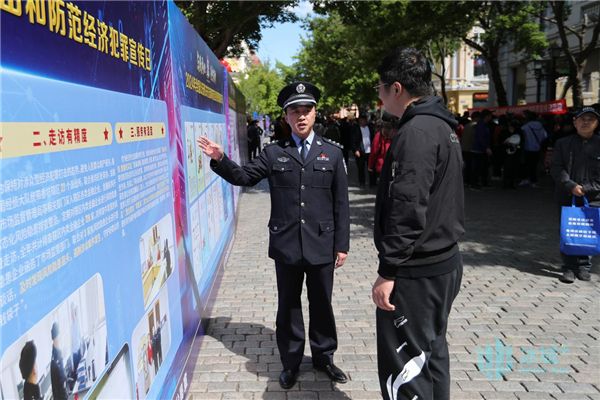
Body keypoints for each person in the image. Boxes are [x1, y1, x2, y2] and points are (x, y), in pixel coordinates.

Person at [197, 81, 350, 390]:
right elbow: (243, 177)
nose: (302, 116)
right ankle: (291, 362)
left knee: (322, 304)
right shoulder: (274, 153)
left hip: (322, 242)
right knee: (289, 306)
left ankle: (324, 357)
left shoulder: (332, 154)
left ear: (315, 113)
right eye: (295, 111)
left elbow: (342, 204)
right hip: (287, 246)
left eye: (307, 110)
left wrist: (342, 245)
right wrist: (220, 158)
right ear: (286, 116)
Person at [371, 47, 464, 400]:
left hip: (417, 270)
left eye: (380, 89)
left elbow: (408, 208)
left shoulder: (417, 132)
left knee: (407, 365)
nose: (379, 98)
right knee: (432, 352)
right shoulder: (442, 125)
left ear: (397, 89)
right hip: (442, 263)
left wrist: (389, 270)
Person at [550, 106, 600, 283]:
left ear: (596, 123)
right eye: (582, 119)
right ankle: (569, 267)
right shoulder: (563, 143)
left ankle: (584, 266)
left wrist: (585, 188)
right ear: (575, 122)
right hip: (566, 195)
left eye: (590, 119)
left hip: (593, 197)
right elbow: (556, 168)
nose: (586, 122)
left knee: (588, 232)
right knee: (567, 230)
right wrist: (570, 185)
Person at [520, 110, 548, 188]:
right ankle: (533, 181)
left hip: (527, 148)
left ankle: (525, 179)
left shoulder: (525, 126)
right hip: (537, 148)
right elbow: (545, 136)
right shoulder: (540, 125)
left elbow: (521, 136)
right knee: (534, 165)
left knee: (526, 164)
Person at [368, 113, 399, 184]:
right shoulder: (398, 133)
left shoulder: (379, 135)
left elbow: (374, 152)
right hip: (395, 166)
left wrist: (370, 165)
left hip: (382, 166)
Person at [352, 114, 376, 187]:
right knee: (361, 168)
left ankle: (372, 183)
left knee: (371, 168)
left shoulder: (370, 128)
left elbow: (373, 138)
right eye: (362, 120)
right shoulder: (356, 129)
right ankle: (362, 182)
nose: (363, 121)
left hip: (370, 150)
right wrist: (356, 150)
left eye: (364, 120)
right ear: (359, 121)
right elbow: (353, 140)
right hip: (360, 151)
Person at [50, 322, 68, 400]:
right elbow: (58, 380)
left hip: (63, 392)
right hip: (60, 395)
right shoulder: (53, 359)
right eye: (58, 337)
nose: (59, 339)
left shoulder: (59, 352)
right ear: (54, 338)